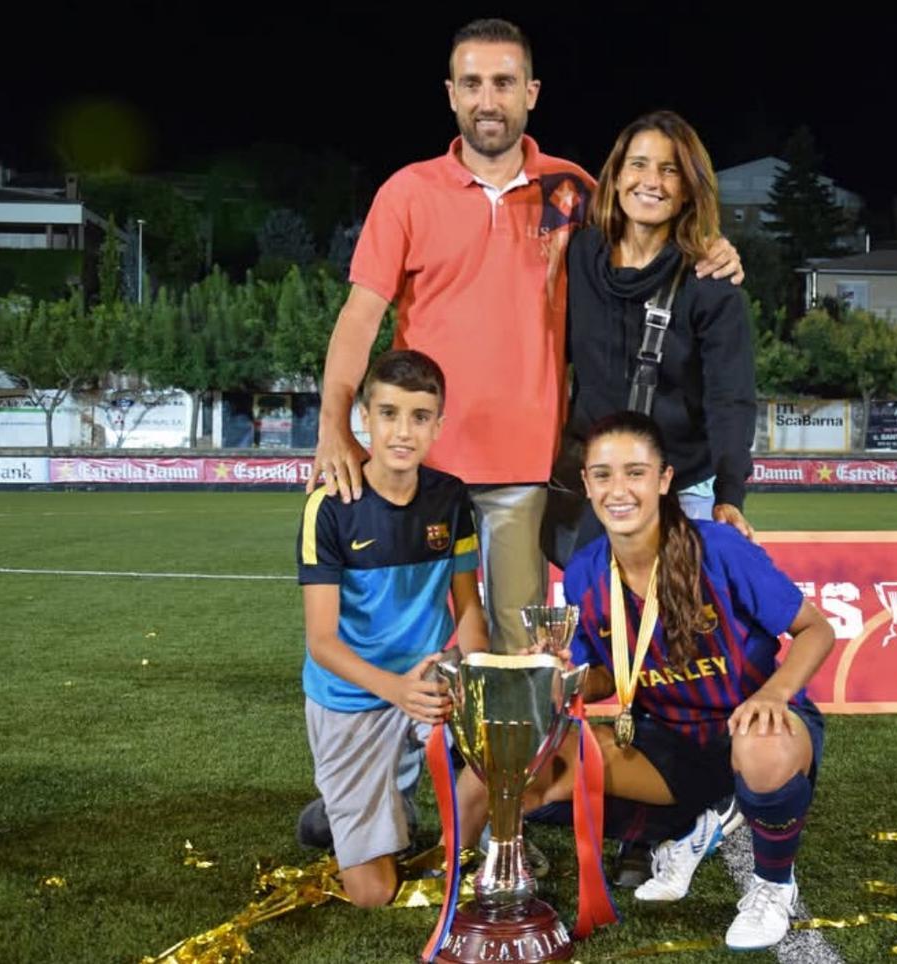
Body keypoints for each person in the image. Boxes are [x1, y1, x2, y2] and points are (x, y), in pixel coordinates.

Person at [307, 19, 742, 655]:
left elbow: (649, 230)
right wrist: (332, 426)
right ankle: (416, 756)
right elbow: (359, 317)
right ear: (451, 93)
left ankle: (507, 759)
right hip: (419, 462)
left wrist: (714, 249)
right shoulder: (406, 193)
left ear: (531, 92)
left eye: (504, 82)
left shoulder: (573, 193)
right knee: (415, 638)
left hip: (525, 468)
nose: (489, 99)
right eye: (473, 83)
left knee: (520, 649)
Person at [525, 411, 834, 950]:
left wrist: (774, 694)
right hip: (666, 740)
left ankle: (773, 887)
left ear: (664, 480)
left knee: (761, 747)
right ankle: (690, 826)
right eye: (602, 474)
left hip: (752, 720)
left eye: (635, 473)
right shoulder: (584, 571)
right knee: (542, 776)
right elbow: (603, 678)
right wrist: (561, 678)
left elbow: (816, 630)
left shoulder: (718, 548)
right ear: (586, 485)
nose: (618, 490)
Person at [296, 349, 487, 908]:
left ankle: (418, 815)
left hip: (426, 688)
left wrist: (470, 680)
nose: (403, 432)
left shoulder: (451, 498)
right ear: (364, 417)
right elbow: (322, 643)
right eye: (389, 414)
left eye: (420, 417)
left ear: (438, 424)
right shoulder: (329, 507)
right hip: (353, 697)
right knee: (373, 895)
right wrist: (397, 690)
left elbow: (468, 608)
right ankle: (340, 811)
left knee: (500, 751)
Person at [565, 110, 757, 545]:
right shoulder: (577, 256)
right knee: (598, 611)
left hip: (683, 487)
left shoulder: (712, 284)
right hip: (595, 489)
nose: (651, 180)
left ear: (688, 190)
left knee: (680, 612)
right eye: (638, 164)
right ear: (614, 177)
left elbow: (731, 400)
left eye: (669, 170)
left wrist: (729, 496)